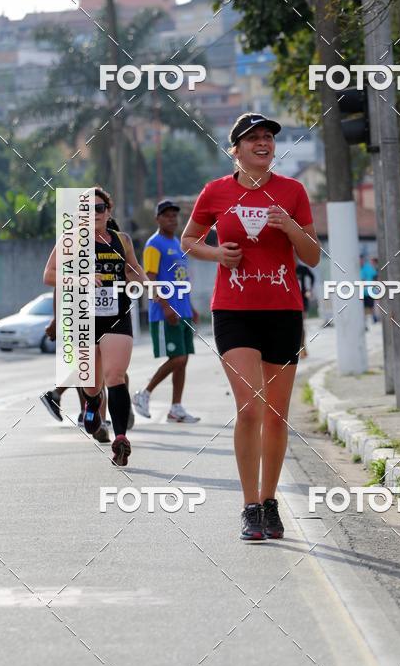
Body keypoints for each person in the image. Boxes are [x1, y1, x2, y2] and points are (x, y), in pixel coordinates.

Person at [181, 112, 320, 541]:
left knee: (277, 416)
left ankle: (270, 500)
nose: (263, 143)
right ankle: (249, 507)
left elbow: (313, 256)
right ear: (235, 149)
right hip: (234, 311)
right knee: (250, 407)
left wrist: (291, 228)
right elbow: (189, 240)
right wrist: (217, 255)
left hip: (283, 310)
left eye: (268, 138)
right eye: (253, 138)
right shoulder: (216, 191)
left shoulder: (293, 191)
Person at [43, 187, 148, 465]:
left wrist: (141, 282)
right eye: (86, 210)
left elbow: (133, 269)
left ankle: (121, 438)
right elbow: (49, 275)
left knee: (116, 376)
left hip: (117, 315)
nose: (93, 214)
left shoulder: (122, 240)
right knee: (91, 382)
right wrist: (80, 280)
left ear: (108, 211)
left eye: (99, 208)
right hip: (84, 317)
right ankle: (91, 403)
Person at [132, 199, 201, 424]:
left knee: (183, 360)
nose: (172, 218)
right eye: (166, 214)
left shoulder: (180, 245)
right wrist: (166, 306)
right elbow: (149, 279)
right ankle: (144, 393)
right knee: (178, 358)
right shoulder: (154, 244)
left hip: (183, 311)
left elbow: (180, 279)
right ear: (157, 219)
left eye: (174, 214)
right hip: (166, 312)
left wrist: (190, 307)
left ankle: (176, 408)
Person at [295, 260, 315, 358]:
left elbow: (312, 277)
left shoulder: (303, 269)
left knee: (301, 324)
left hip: (302, 299)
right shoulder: (284, 267)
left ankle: (303, 348)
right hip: (290, 299)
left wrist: (309, 290)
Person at [360, 254, 378, 327]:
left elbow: (375, 277)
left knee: (371, 307)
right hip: (362, 292)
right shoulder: (358, 268)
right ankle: (366, 322)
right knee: (363, 308)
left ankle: (373, 318)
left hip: (369, 291)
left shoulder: (368, 268)